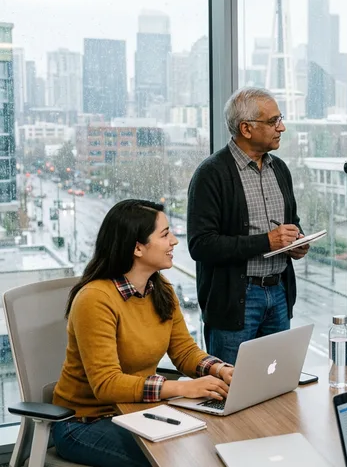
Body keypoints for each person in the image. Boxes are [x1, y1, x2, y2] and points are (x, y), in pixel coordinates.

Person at [51, 200, 234, 467]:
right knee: (180, 459)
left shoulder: (161, 289)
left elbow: (184, 351)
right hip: (85, 422)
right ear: (137, 248)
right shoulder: (95, 298)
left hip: (138, 412)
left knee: (213, 443)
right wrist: (182, 387)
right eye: (165, 234)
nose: (174, 241)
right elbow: (106, 384)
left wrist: (220, 370)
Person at [187, 87, 308, 365]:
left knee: (277, 383)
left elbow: (291, 222)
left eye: (280, 119)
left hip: (278, 293)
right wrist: (267, 241)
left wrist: (297, 242)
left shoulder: (280, 169)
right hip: (236, 301)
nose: (282, 127)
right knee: (230, 386)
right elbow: (201, 245)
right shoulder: (211, 174)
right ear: (246, 128)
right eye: (273, 121)